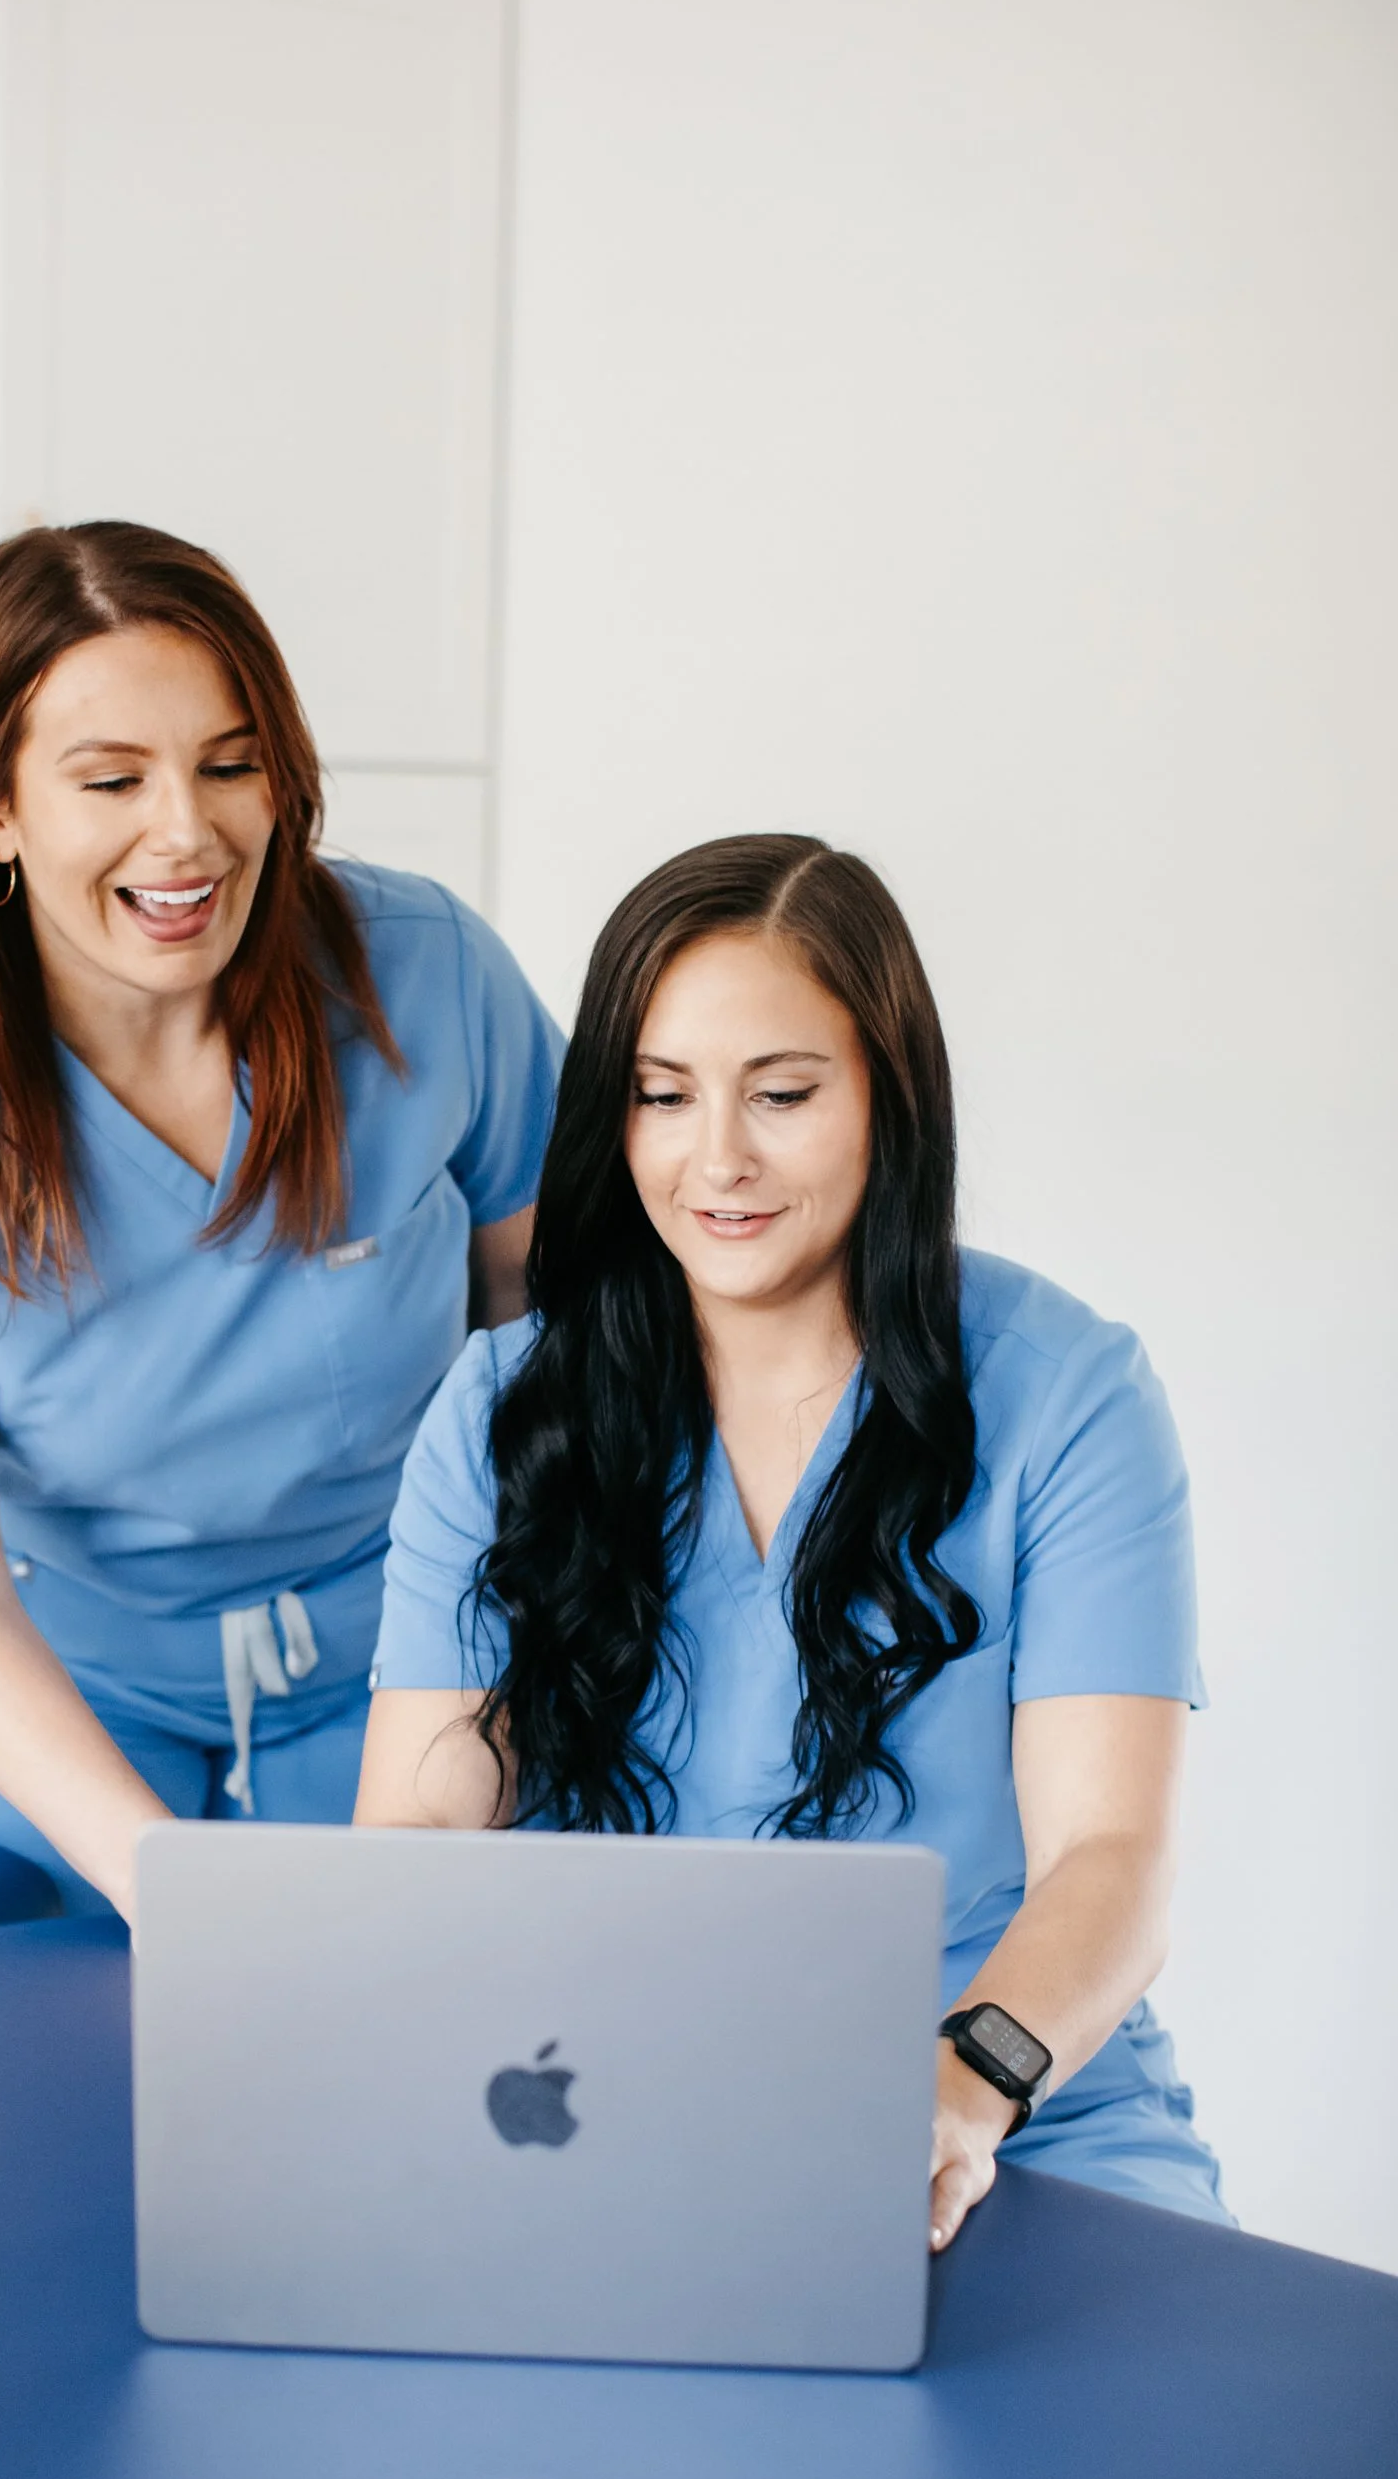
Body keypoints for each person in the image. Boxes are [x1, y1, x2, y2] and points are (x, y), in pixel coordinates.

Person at [357, 832, 1227, 2252]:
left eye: (784, 1095)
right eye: (662, 1097)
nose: (719, 1161)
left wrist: (964, 2087)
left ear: (891, 1097)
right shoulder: (507, 1408)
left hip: (1013, 2103)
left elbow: (1111, 1861)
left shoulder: (1067, 1394)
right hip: (610, 2102)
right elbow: (415, 1829)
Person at [0, 521, 562, 1922]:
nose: (185, 832)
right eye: (111, 779)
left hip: (416, 1664)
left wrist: (528, 1662)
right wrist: (166, 1885)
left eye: (230, 765)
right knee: (13, 2112)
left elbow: (567, 1340)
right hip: (61, 1697)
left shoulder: (425, 975)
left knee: (422, 2096)